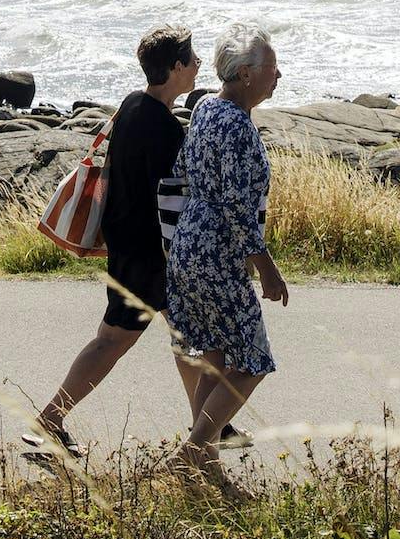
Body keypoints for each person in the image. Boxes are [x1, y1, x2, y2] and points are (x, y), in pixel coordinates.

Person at [33, 27, 208, 454]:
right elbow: (175, 199)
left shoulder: (132, 105)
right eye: (193, 59)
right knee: (133, 340)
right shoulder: (164, 129)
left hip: (127, 245)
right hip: (153, 255)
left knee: (170, 337)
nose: (199, 65)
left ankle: (206, 425)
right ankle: (50, 418)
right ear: (176, 68)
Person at [162, 26, 291, 487]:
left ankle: (207, 464)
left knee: (213, 352)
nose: (278, 77)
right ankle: (193, 452)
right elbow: (239, 206)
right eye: (272, 70)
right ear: (243, 74)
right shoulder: (235, 123)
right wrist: (268, 270)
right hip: (217, 250)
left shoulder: (207, 109)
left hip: (189, 244)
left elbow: (184, 172)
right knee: (253, 358)